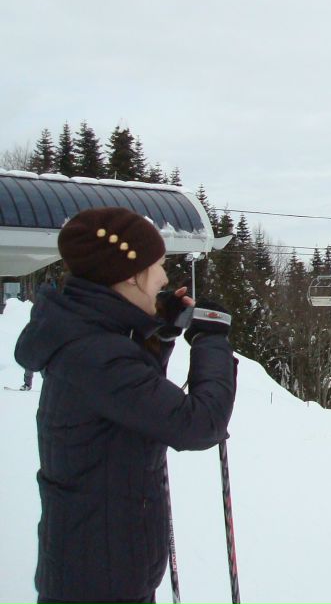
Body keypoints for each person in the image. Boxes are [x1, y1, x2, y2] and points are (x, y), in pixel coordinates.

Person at [14, 206, 237, 604]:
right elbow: (200, 424)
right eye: (158, 266)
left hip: (100, 564)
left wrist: (160, 328)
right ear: (131, 275)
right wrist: (212, 342)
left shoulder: (90, 336)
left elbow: (134, 399)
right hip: (101, 580)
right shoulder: (96, 355)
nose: (165, 277)